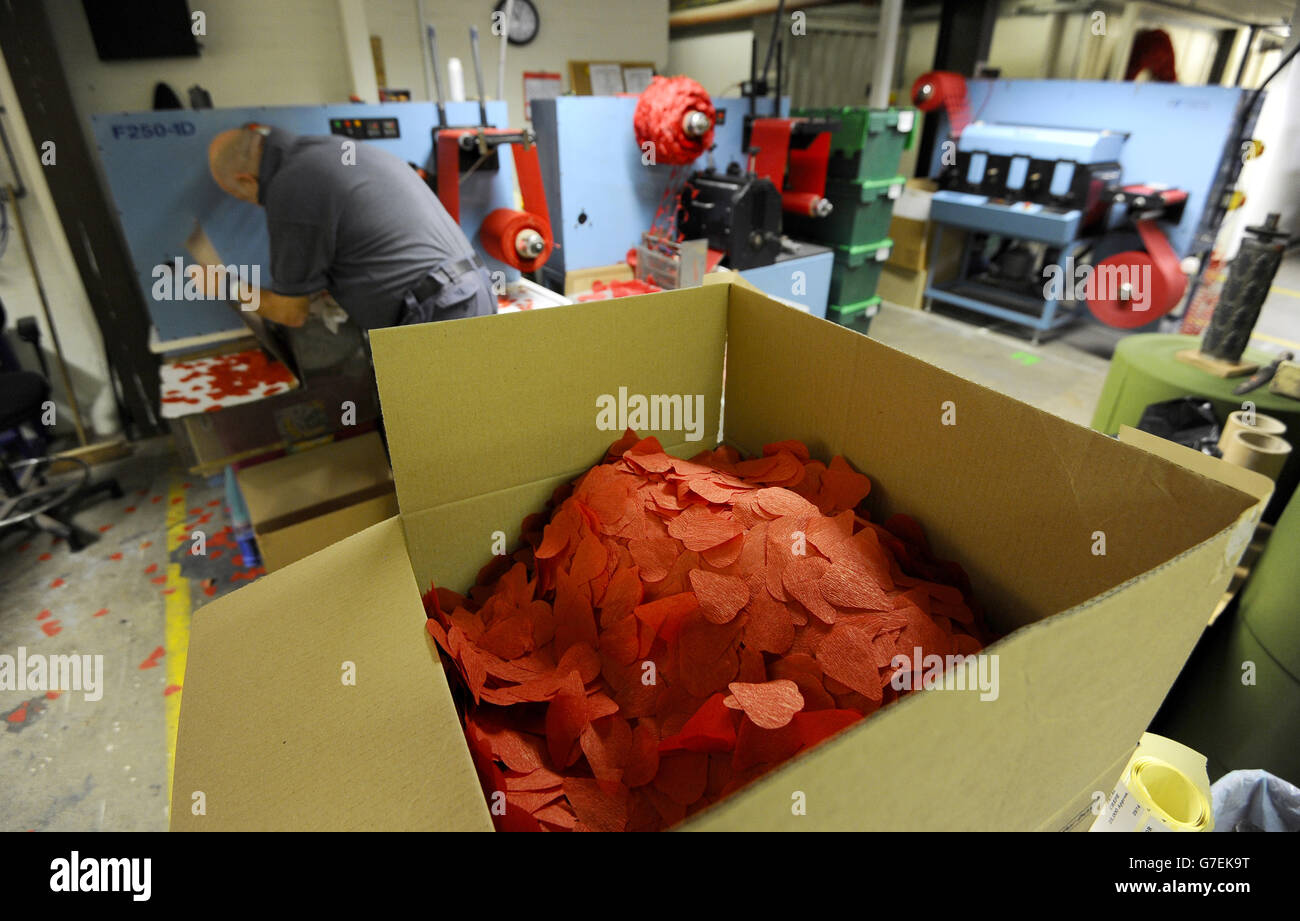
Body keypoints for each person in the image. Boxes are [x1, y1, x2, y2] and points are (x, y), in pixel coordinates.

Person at [204, 124, 496, 330]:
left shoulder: (288, 186)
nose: (254, 205)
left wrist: (224, 286)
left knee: (445, 417)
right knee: (471, 414)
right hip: (468, 292)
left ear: (245, 180)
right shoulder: (323, 149)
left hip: (440, 313)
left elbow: (290, 312)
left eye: (241, 196)